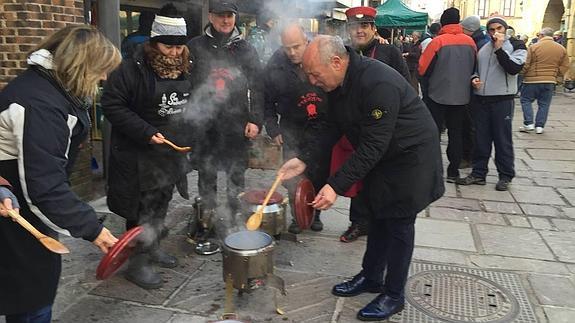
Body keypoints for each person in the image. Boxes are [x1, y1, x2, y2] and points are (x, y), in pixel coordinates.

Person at [279, 35, 444, 321]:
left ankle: (393, 294)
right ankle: (371, 277)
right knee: (375, 213)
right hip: (383, 156)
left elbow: (373, 145)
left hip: (410, 158)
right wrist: (303, 158)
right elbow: (331, 127)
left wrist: (334, 185)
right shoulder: (338, 83)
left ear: (335, 61)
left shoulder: (377, 83)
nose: (313, 82)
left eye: (315, 74)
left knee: (399, 224)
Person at [0, 25, 120, 322]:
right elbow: (44, 186)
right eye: (101, 70)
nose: (104, 78)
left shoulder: (49, 88)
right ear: (82, 65)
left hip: (16, 200)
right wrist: (93, 228)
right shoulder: (39, 103)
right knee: (31, 291)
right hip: (14, 208)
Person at [101, 3, 192, 289]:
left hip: (169, 153)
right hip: (139, 154)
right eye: (168, 46)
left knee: (162, 203)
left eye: (179, 47)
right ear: (154, 41)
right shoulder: (130, 70)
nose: (175, 52)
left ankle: (153, 247)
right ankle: (136, 264)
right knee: (142, 209)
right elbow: (111, 105)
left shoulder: (185, 67)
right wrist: (146, 132)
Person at [336, 6, 412, 243]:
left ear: (373, 28)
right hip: (356, 127)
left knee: (382, 179)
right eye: (355, 27)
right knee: (358, 177)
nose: (359, 31)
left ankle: (380, 222)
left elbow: (406, 87)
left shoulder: (390, 52)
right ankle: (358, 222)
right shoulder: (343, 54)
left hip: (384, 127)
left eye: (365, 26)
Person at [186, 0, 263, 216]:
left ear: (235, 17)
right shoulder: (195, 47)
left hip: (236, 123)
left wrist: (255, 119)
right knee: (206, 174)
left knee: (236, 174)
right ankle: (206, 219)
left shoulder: (246, 49)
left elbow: (258, 86)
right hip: (204, 124)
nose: (226, 20)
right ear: (210, 16)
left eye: (230, 15)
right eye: (221, 15)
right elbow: (185, 85)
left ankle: (235, 216)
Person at [263, 23, 328, 234]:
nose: (292, 52)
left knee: (317, 174)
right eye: (287, 47)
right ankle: (296, 215)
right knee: (292, 176)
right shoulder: (275, 63)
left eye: (296, 46)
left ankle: (315, 213)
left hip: (319, 126)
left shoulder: (319, 54)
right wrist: (273, 127)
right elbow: (265, 99)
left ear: (306, 40)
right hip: (290, 128)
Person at [458, 16, 527, 191]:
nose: (495, 32)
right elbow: (476, 69)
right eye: (491, 29)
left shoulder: (517, 46)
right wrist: (474, 79)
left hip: (502, 100)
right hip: (482, 99)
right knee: (481, 139)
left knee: (502, 139)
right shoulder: (483, 47)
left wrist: (499, 49)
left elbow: (513, 69)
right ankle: (479, 173)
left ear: (505, 29)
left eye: (499, 28)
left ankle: (505, 175)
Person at [418, 8, 477, 183]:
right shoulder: (471, 42)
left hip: (437, 95)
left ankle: (433, 171)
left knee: (434, 133)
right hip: (461, 97)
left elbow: (422, 68)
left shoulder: (437, 42)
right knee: (456, 133)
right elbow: (474, 66)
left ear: (443, 22)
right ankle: (453, 171)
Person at [519, 27, 569, 134]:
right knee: (544, 104)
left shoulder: (533, 47)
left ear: (541, 35)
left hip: (532, 80)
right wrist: (556, 75)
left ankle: (528, 123)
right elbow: (565, 66)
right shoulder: (561, 49)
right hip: (550, 80)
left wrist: (522, 73)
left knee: (525, 100)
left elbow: (527, 64)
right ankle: (540, 126)